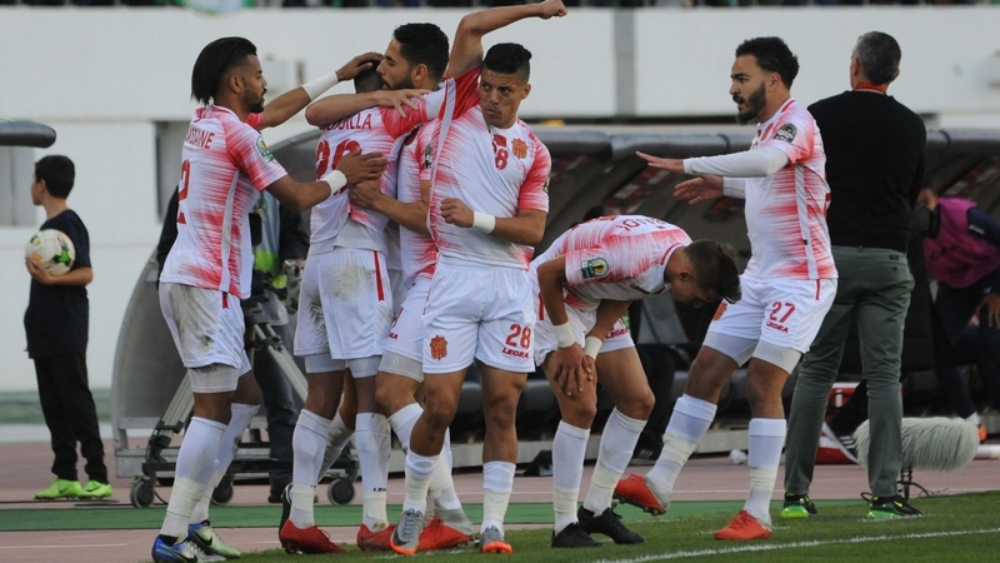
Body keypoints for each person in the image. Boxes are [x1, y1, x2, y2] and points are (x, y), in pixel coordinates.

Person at [152, 36, 386, 563]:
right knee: (212, 409)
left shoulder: (207, 120)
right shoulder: (238, 135)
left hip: (196, 280)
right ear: (237, 82)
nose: (265, 83)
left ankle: (197, 521)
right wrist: (343, 176)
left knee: (244, 395)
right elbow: (298, 197)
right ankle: (172, 534)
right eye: (258, 75)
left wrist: (336, 75)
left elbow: (276, 113)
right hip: (205, 285)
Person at [614, 37, 837, 541]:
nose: (733, 88)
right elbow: (770, 178)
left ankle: (758, 512)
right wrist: (726, 186)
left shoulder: (796, 122)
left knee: (761, 384)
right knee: (705, 371)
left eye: (742, 78)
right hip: (759, 279)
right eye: (734, 78)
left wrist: (694, 165)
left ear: (773, 80)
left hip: (801, 282)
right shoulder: (767, 130)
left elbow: (767, 165)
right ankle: (659, 483)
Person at [389, 0, 566, 555]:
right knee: (440, 405)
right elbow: (468, 26)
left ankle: (493, 524)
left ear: (525, 92)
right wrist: (536, 9)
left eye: (504, 90)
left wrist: (478, 218)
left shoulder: (535, 152)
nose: (491, 97)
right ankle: (412, 510)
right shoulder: (458, 102)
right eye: (487, 86)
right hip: (455, 278)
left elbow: (533, 230)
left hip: (509, 285)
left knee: (502, 408)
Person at [279, 40, 449, 553]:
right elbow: (448, 94)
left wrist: (363, 90)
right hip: (358, 259)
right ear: (388, 87)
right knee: (373, 396)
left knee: (320, 399)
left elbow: (315, 110)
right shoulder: (393, 115)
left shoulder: (333, 122)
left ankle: (300, 515)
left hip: (318, 260)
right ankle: (374, 518)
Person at [335, 23, 478, 552]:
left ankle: (450, 514)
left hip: (437, 282)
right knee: (407, 403)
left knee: (390, 393)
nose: (383, 68)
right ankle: (411, 517)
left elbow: (435, 216)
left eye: (391, 62)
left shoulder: (433, 135)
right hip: (418, 280)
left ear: (419, 74)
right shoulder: (413, 128)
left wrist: (376, 202)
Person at [780, 31, 927, 520]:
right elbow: (911, 194)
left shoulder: (820, 115)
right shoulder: (912, 125)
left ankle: (796, 494)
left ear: (855, 66)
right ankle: (885, 495)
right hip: (887, 258)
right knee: (883, 376)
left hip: (829, 258)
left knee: (816, 372)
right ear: (895, 74)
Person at [533, 215, 741, 548]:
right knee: (582, 406)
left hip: (592, 299)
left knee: (639, 401)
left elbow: (627, 287)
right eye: (699, 297)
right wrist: (567, 343)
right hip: (553, 295)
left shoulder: (679, 255)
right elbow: (548, 273)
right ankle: (564, 525)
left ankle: (596, 509)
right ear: (685, 275)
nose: (696, 304)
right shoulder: (630, 257)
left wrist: (592, 345)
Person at [24, 155, 112, 502]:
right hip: (44, 331)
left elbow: (86, 272)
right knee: (53, 405)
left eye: (33, 179)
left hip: (66, 328)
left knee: (76, 400)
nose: (31, 186)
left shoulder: (68, 224)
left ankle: (98, 475)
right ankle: (65, 475)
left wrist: (49, 279)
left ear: (42, 184)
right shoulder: (47, 230)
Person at [919, 188, 1000, 436]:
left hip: (993, 272)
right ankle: (971, 422)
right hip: (959, 283)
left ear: (932, 198)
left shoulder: (962, 215)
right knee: (936, 346)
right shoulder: (915, 232)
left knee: (992, 341)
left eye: (924, 202)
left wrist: (997, 292)